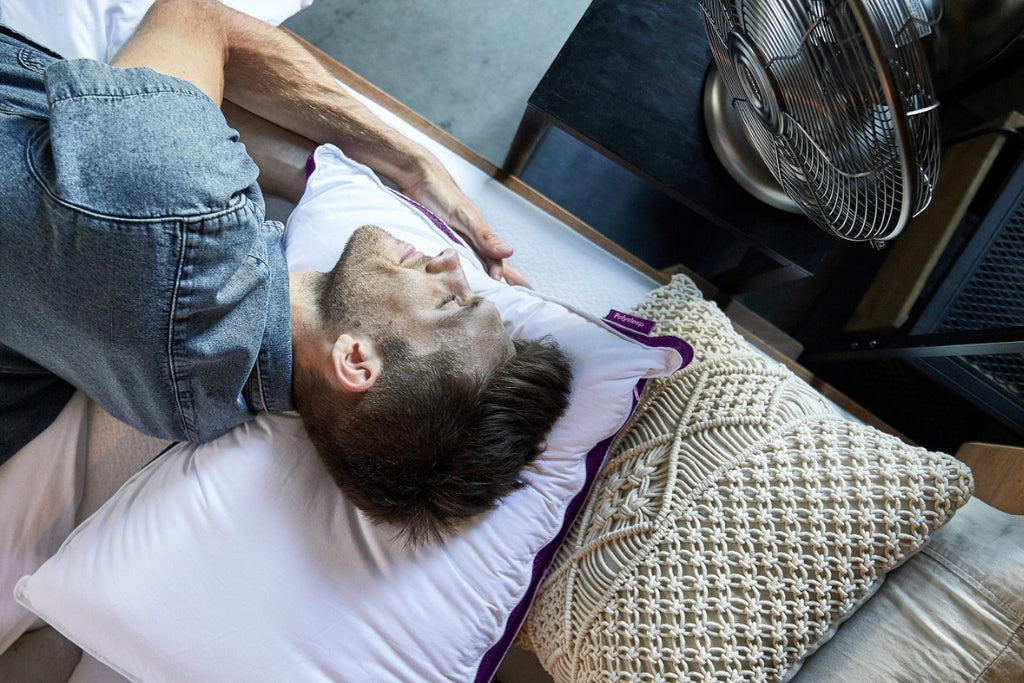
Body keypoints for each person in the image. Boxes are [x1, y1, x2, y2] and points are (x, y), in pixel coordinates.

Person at [0, 0, 572, 542]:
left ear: (354, 359)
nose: (450, 262)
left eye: (449, 302)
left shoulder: (188, 213)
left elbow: (196, 18)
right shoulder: (190, 409)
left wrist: (411, 161)